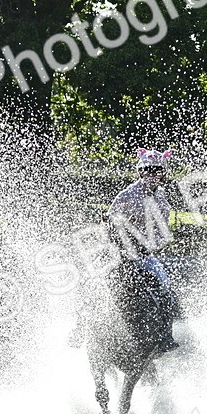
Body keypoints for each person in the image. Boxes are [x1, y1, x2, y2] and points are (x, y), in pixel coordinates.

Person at [68, 148, 182, 352]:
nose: (152, 174)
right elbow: (108, 222)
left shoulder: (163, 202)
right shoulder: (127, 195)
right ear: (141, 172)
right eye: (147, 170)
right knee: (87, 282)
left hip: (144, 256)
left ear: (162, 173)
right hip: (116, 252)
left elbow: (162, 233)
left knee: (166, 288)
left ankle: (166, 336)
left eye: (156, 170)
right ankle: (80, 329)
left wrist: (145, 244)